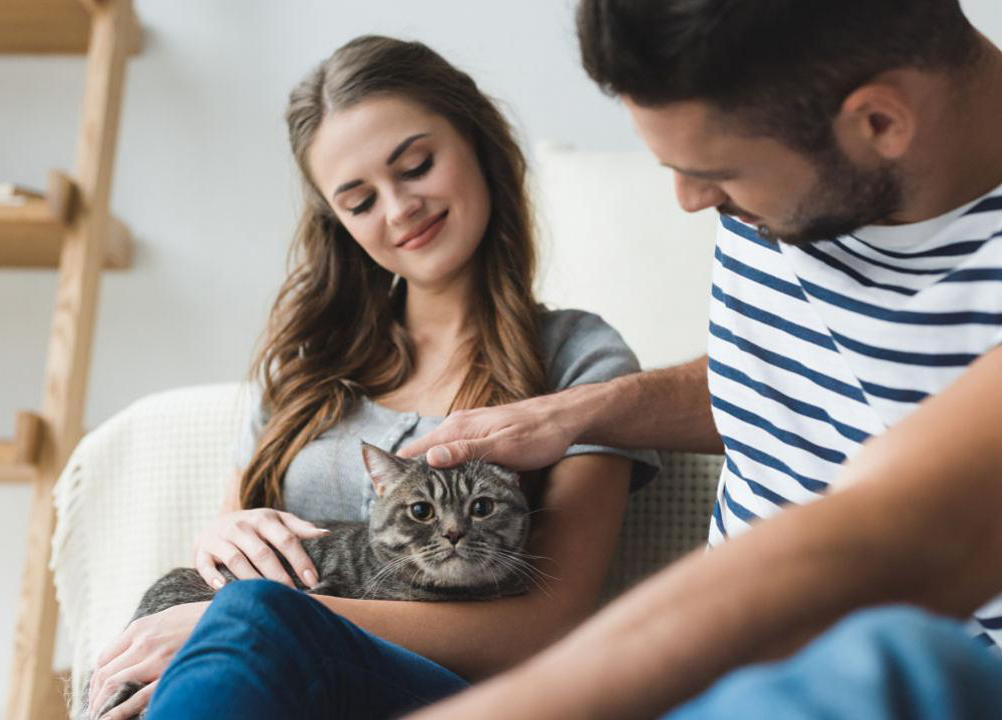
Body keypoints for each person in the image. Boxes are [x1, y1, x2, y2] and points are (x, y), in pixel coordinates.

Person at [400, 0, 1002, 717]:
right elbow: (793, 378)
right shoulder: (786, 190)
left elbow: (887, 540)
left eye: (716, 172)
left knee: (892, 658)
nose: (690, 199)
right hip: (732, 687)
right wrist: (579, 412)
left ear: (878, 122)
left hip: (911, 681)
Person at [85, 35, 659, 720]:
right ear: (340, 224)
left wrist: (270, 617)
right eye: (359, 202)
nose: (398, 209)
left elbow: (546, 626)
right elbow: (228, 547)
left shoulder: (578, 361)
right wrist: (220, 544)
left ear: (477, 142)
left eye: (415, 165)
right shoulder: (306, 368)